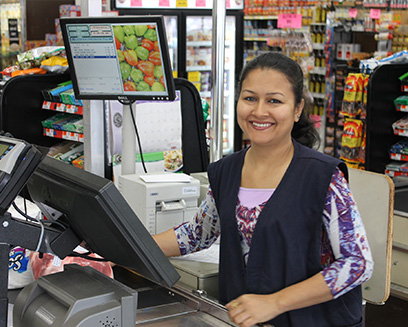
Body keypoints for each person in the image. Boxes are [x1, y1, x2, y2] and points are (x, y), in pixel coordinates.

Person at [153, 52, 373, 327]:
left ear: (297, 109)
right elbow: (197, 234)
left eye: (274, 101)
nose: (259, 111)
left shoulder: (322, 177)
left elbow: (358, 263)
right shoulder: (226, 171)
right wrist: (120, 246)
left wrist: (275, 302)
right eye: (250, 98)